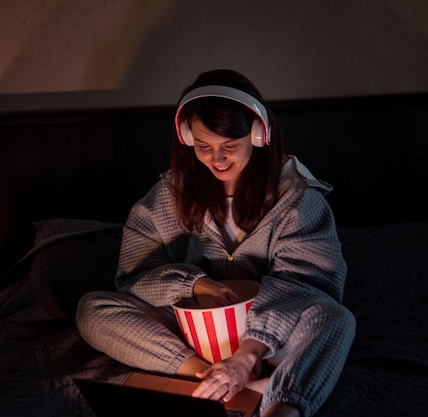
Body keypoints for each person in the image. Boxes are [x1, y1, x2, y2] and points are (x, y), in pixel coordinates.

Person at [75, 69, 356, 417]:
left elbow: (307, 286)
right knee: (92, 309)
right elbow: (133, 277)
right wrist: (194, 284)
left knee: (336, 319)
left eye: (229, 147)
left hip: (270, 339)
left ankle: (282, 407)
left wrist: (245, 356)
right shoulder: (165, 198)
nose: (217, 160)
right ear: (187, 138)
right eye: (204, 147)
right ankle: (210, 380)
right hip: (191, 334)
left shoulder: (298, 200)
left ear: (257, 135)